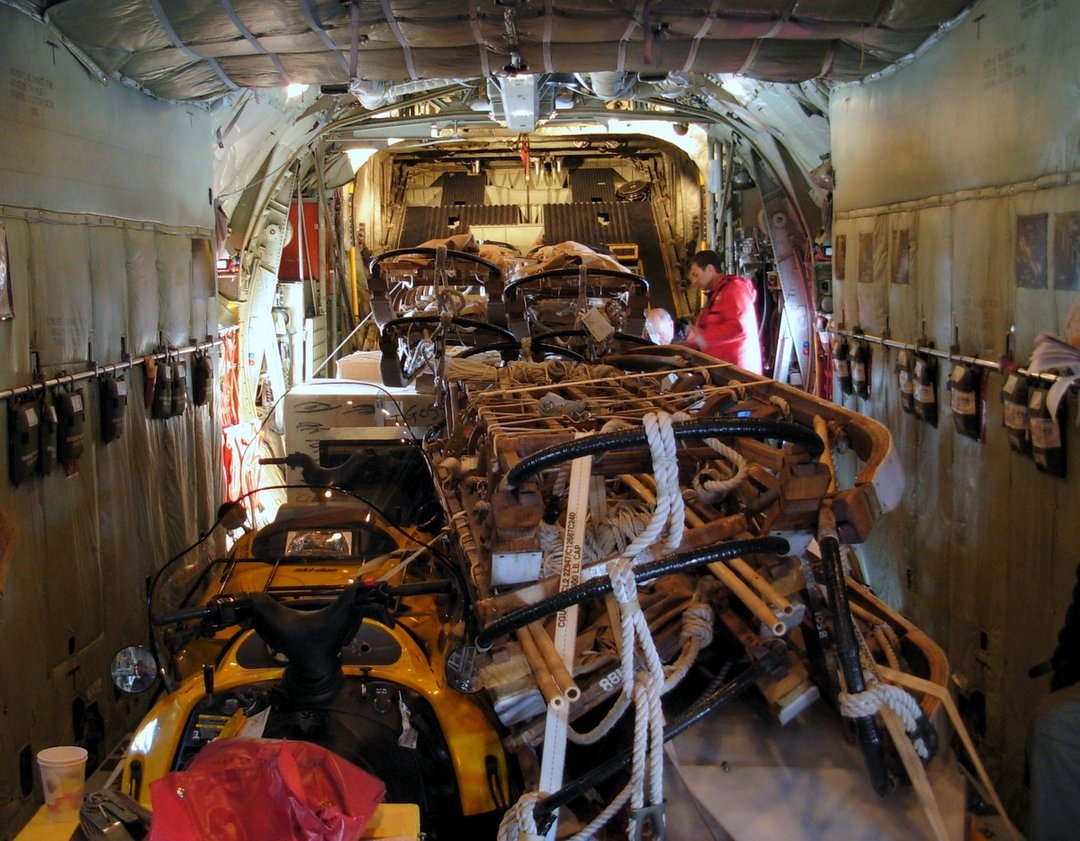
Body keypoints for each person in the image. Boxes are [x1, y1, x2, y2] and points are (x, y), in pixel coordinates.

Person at [682, 250, 763, 374]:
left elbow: (739, 327)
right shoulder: (716, 294)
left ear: (709, 269)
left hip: (738, 375)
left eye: (695, 274)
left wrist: (702, 337)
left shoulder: (735, 289)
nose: (694, 281)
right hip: (721, 371)